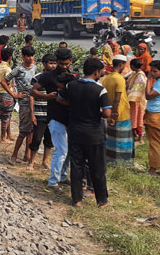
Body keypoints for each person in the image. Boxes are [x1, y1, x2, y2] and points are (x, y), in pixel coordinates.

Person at [59, 58, 112, 208]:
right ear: (96, 72)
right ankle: (102, 201)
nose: (102, 73)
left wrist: (75, 107)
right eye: (101, 70)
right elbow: (107, 113)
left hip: (75, 131)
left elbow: (60, 98)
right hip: (94, 133)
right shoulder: (100, 90)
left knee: (77, 166)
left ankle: (77, 200)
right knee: (97, 167)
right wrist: (97, 113)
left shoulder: (71, 85)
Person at [32, 48, 74, 193]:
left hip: (70, 118)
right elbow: (33, 91)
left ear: (71, 62)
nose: (64, 66)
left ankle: (62, 175)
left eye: (66, 64)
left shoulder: (73, 76)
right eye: (61, 64)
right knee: (61, 151)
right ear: (57, 62)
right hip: (55, 117)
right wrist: (48, 97)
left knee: (69, 150)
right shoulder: (48, 76)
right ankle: (53, 182)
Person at [6, 46, 38, 163]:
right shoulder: (18, 69)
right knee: (23, 131)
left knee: (31, 131)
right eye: (28, 56)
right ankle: (14, 155)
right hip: (24, 104)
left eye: (32, 56)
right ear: (23, 56)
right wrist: (14, 94)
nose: (30, 58)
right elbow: (4, 81)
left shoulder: (35, 68)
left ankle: (27, 155)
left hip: (34, 102)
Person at [27, 54, 56, 170]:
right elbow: (31, 95)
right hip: (40, 113)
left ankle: (45, 161)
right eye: (50, 63)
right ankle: (31, 161)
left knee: (49, 139)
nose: (53, 66)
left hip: (52, 113)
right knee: (37, 138)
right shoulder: (38, 78)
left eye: (54, 63)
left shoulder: (58, 78)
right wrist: (32, 113)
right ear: (44, 64)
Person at [103, 55, 133, 163]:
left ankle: (110, 160)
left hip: (109, 112)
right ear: (121, 65)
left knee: (111, 138)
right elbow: (117, 98)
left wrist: (110, 114)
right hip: (120, 113)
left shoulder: (106, 78)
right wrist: (115, 113)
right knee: (122, 139)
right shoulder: (119, 79)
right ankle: (122, 162)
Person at [0, 47, 17, 143]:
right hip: (7, 94)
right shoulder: (7, 69)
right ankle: (3, 137)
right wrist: (11, 86)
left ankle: (8, 134)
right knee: (6, 117)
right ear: (10, 57)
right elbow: (6, 82)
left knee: (6, 115)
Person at [127, 58, 148, 143]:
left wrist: (129, 93)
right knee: (133, 118)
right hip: (133, 100)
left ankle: (140, 137)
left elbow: (140, 87)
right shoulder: (134, 74)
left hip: (138, 100)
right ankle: (134, 135)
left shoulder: (140, 75)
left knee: (138, 118)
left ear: (132, 66)